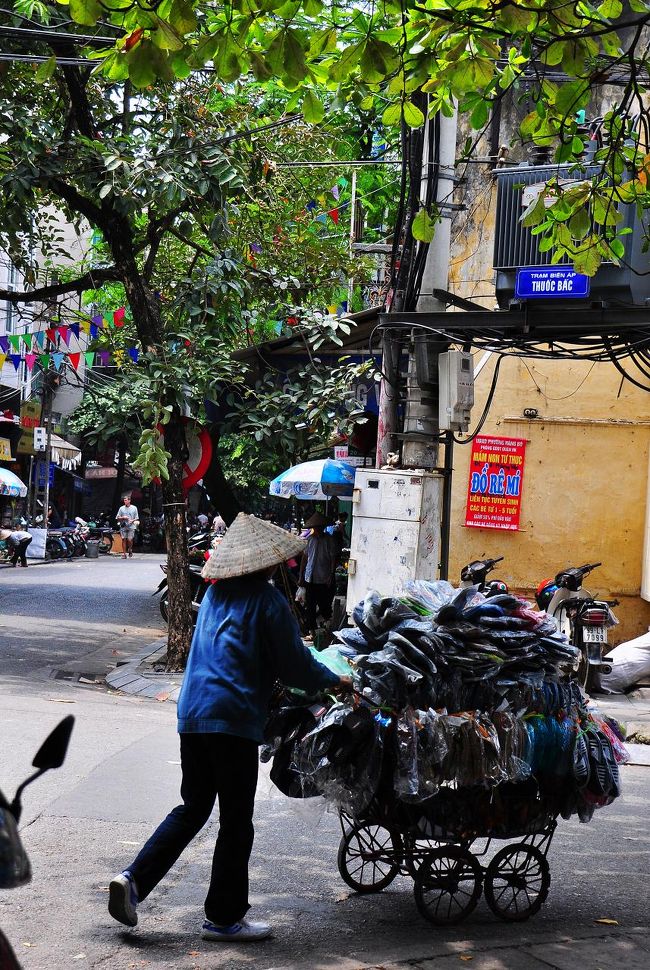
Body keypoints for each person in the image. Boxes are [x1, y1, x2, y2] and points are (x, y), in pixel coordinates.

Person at [108, 513, 348, 943]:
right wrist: (336, 680)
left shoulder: (215, 596)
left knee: (193, 807)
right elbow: (296, 666)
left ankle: (133, 879)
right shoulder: (269, 601)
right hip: (233, 720)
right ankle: (223, 918)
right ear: (266, 563)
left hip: (193, 715)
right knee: (237, 820)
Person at [298, 512, 337, 639]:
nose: (318, 529)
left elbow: (333, 559)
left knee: (324, 603)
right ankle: (312, 630)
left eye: (321, 527)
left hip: (323, 578)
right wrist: (301, 576)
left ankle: (326, 626)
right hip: (310, 578)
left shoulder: (329, 540)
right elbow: (305, 559)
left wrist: (331, 575)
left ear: (323, 527)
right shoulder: (309, 540)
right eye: (317, 527)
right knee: (310, 605)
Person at [116, 495, 139, 559]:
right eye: (124, 500)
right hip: (123, 526)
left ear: (129, 501)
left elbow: (137, 518)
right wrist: (123, 517)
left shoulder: (134, 508)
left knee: (130, 539)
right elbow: (117, 517)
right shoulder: (121, 508)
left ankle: (130, 549)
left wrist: (132, 520)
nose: (124, 501)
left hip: (131, 526)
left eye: (126, 500)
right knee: (123, 539)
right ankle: (124, 554)